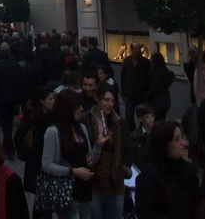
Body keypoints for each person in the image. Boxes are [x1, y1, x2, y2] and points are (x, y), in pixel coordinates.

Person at [41, 88, 97, 219]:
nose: (81, 109)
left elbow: (90, 156)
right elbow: (47, 165)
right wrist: (72, 171)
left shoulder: (81, 128)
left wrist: (98, 146)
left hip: (85, 191)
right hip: (66, 192)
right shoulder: (53, 132)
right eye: (78, 106)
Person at [134, 121, 199, 219]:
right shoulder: (149, 175)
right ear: (164, 143)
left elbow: (195, 206)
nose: (183, 143)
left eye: (182, 137)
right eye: (177, 139)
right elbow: (145, 212)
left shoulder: (189, 171)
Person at [84, 87, 130, 219]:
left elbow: (129, 149)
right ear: (98, 99)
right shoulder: (86, 119)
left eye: (112, 101)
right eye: (106, 100)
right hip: (95, 181)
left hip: (115, 181)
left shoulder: (119, 122)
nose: (109, 104)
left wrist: (124, 168)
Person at [14, 85, 55, 218]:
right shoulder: (33, 117)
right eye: (50, 98)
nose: (53, 101)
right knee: (42, 197)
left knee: (43, 198)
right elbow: (18, 137)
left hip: (48, 161)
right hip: (36, 162)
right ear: (42, 100)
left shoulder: (52, 116)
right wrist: (29, 154)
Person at [0, 42, 28, 159]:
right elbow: (21, 82)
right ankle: (9, 148)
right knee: (9, 124)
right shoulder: (15, 65)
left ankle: (9, 149)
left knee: (6, 126)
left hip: (1, 98)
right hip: (13, 98)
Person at [120, 43, 150, 132]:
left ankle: (142, 132)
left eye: (138, 49)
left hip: (142, 94)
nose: (137, 51)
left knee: (142, 116)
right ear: (132, 50)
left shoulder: (146, 62)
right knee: (129, 116)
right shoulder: (127, 61)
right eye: (136, 49)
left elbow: (149, 77)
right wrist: (123, 93)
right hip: (129, 94)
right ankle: (133, 132)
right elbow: (123, 77)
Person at [146, 53, 175, 122]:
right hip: (165, 100)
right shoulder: (165, 71)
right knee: (161, 119)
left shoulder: (155, 74)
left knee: (156, 121)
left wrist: (147, 97)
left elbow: (154, 88)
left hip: (156, 101)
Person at [129, 104, 156, 170]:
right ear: (141, 119)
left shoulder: (158, 134)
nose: (151, 119)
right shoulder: (134, 137)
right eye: (147, 117)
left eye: (152, 116)